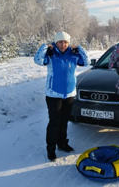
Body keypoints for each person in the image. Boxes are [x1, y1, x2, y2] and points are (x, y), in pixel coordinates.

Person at [34, 31, 89, 161]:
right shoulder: (50, 54)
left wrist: (80, 48)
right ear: (56, 43)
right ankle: (51, 148)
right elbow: (37, 60)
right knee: (54, 121)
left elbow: (86, 62)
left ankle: (62, 143)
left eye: (65, 42)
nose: (63, 44)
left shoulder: (74, 55)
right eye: (60, 42)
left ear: (68, 43)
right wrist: (45, 47)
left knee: (64, 121)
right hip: (53, 93)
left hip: (69, 93)